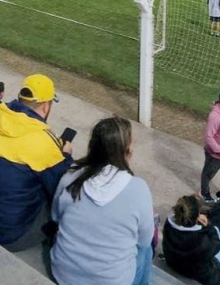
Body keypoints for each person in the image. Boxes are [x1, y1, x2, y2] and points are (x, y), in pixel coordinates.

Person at [0, 74, 73, 251]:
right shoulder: (45, 143)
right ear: (46, 106)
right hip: (7, 234)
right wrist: (66, 156)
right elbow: (62, 187)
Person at [50, 117, 154, 285]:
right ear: (126, 151)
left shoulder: (71, 176)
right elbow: (143, 241)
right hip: (92, 278)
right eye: (132, 144)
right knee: (146, 250)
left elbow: (55, 216)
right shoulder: (139, 188)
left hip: (63, 273)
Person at [162, 194, 220, 284]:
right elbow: (217, 245)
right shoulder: (202, 241)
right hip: (202, 278)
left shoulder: (168, 224)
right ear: (197, 217)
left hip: (173, 264)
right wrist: (209, 226)